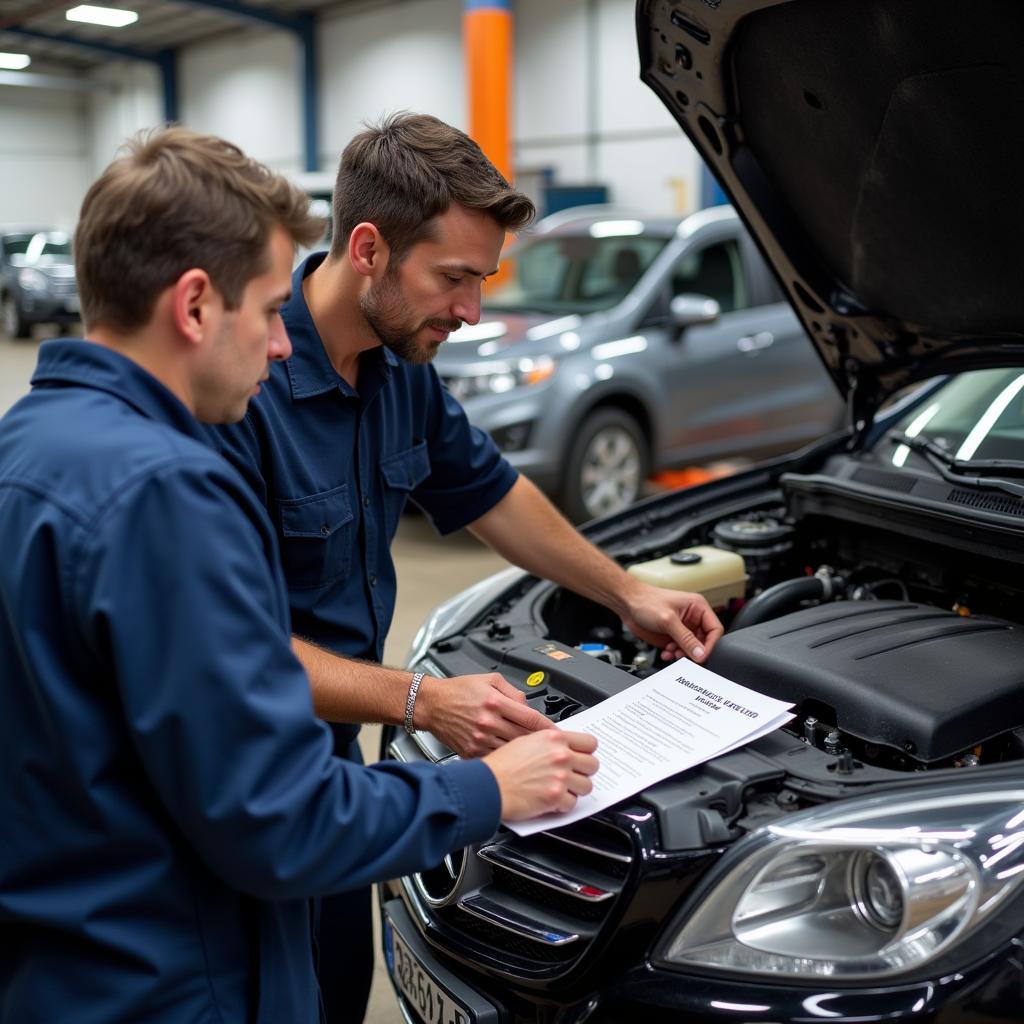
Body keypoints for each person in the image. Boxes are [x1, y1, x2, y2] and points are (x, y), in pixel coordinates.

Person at [0, 126, 599, 1024]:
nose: (283, 345)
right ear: (196, 305)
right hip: (174, 968)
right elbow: (275, 819)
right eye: (270, 309)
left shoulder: (27, 445)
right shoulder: (165, 490)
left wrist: (625, 591)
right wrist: (485, 788)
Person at [209, 111, 724, 1024]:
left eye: (482, 282)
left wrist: (630, 591)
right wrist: (423, 700)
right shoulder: (244, 385)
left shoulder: (398, 367)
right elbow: (230, 650)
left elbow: (490, 491)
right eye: (454, 279)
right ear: (369, 248)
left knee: (333, 992)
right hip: (240, 791)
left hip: (342, 776)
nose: (472, 311)